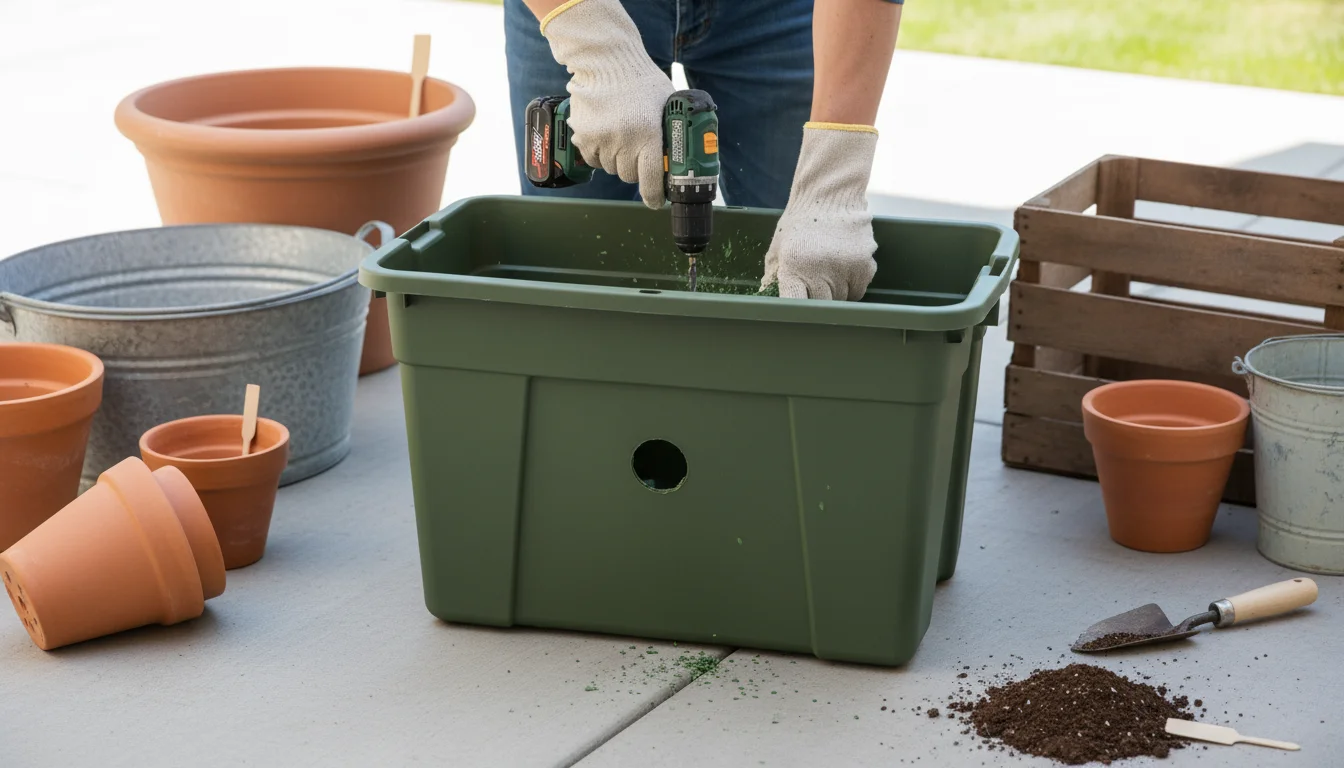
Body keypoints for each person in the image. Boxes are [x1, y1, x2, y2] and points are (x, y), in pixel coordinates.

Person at [505, 0, 903, 301]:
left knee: (811, 261)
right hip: (579, 6)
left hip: (775, 10)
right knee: (569, 277)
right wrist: (596, 45)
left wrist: (835, 176)